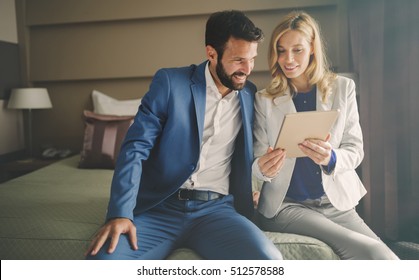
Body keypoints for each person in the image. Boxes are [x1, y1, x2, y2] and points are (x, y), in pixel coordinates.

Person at [86, 10, 282, 260]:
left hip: (217, 211)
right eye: (239, 60)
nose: (248, 69)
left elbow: (257, 152)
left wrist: (255, 184)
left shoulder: (250, 94)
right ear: (211, 53)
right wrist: (120, 213)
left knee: (270, 262)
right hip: (160, 207)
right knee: (103, 262)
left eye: (252, 59)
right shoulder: (170, 83)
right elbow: (134, 149)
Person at [252, 11, 398, 260]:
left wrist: (331, 158)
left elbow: (355, 149)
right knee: (371, 252)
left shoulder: (343, 88)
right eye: (281, 50)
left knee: (387, 258)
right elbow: (256, 162)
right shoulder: (264, 100)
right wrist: (264, 169)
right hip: (287, 206)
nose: (288, 59)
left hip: (335, 204)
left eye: (297, 50)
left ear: (312, 49)